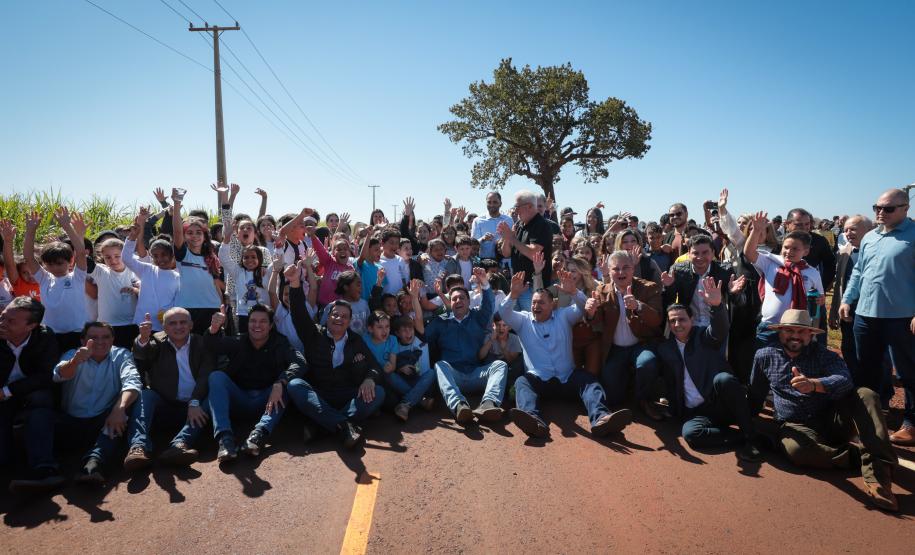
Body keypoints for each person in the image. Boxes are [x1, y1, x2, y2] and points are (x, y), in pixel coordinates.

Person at [749, 309, 899, 512]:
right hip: (795, 425)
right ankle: (858, 455)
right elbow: (756, 394)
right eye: (789, 330)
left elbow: (845, 380)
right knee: (796, 451)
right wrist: (743, 420)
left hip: (831, 420)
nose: (795, 335)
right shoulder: (764, 356)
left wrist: (814, 384)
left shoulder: (823, 355)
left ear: (811, 335)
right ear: (779, 332)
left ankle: (879, 477)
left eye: (801, 331)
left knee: (866, 394)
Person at [499, 270, 633, 439]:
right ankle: (533, 421)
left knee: (589, 380)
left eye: (541, 303)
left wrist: (573, 291)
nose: (536, 306)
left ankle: (601, 419)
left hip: (567, 378)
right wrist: (513, 294)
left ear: (552, 304)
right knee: (522, 382)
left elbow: (584, 307)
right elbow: (504, 312)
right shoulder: (522, 320)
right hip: (539, 380)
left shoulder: (564, 316)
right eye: (533, 303)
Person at [839, 189, 915, 446]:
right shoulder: (870, 237)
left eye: (888, 208)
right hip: (866, 315)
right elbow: (859, 272)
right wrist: (847, 299)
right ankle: (867, 421)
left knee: (908, 372)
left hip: (902, 317)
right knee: (866, 371)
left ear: (905, 208)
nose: (880, 212)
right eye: (877, 207)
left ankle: (912, 424)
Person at [283, 262, 386, 448]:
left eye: (344, 316)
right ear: (328, 317)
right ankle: (344, 425)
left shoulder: (356, 340)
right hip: (320, 394)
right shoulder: (314, 334)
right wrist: (294, 283)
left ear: (349, 321)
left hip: (347, 394)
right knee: (295, 385)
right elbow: (299, 314)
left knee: (378, 392)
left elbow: (375, 367)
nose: (339, 318)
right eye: (335, 315)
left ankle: (322, 424)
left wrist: (370, 378)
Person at [658, 280, 760, 462]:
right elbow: (669, 380)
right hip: (696, 413)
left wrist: (717, 306)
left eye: (681, 319)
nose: (677, 324)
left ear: (692, 320)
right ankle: (741, 437)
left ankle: (751, 437)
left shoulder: (703, 336)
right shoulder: (666, 349)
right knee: (691, 434)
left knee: (724, 380)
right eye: (672, 320)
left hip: (719, 404)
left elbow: (720, 330)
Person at [204, 303, 304, 462]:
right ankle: (225, 440)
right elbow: (212, 345)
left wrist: (281, 382)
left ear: (271, 325)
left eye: (263, 321)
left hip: (266, 402)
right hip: (239, 400)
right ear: (248, 323)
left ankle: (258, 436)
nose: (257, 325)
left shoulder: (280, 342)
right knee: (216, 377)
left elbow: (299, 362)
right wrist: (214, 329)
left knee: (286, 385)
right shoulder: (239, 340)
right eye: (253, 321)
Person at [54, 322, 142, 485]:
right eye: (93, 337)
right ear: (83, 340)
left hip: (103, 421)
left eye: (106, 337)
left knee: (129, 404)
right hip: (70, 421)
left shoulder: (121, 354)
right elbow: (59, 375)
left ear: (113, 339)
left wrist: (119, 409)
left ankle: (94, 463)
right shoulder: (72, 354)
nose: (101, 342)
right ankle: (49, 470)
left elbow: (133, 382)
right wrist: (75, 361)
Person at [418, 267, 507, 424]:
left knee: (500, 365)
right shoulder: (440, 321)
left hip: (475, 374)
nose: (458, 301)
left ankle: (488, 404)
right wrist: (414, 299)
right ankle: (459, 406)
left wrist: (484, 283)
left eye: (462, 298)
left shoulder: (478, 317)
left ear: (469, 301)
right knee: (440, 365)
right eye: (454, 299)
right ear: (450, 303)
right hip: (453, 377)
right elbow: (422, 335)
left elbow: (488, 304)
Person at [127, 308, 214, 469]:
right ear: (164, 327)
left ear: (191, 325)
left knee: (214, 395)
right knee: (145, 395)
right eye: (172, 323)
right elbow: (142, 352)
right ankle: (138, 447)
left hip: (195, 409)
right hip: (166, 406)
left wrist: (195, 402)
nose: (178, 327)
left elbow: (204, 376)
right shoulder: (156, 341)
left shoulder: (201, 343)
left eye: (183, 322)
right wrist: (143, 338)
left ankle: (180, 444)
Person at [1, 297, 64, 493]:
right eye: (2, 317)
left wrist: (7, 391)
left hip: (29, 391)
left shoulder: (44, 336)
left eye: (10, 321)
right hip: (2, 395)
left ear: (31, 326)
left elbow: (46, 375)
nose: (2, 323)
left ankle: (44, 468)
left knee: (42, 402)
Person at [595, 251, 664, 419]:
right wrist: (590, 313)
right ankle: (629, 385)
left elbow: (657, 321)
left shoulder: (649, 288)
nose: (621, 273)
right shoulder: (601, 290)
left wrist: (638, 306)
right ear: (609, 272)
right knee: (613, 398)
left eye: (625, 267)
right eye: (616, 269)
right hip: (616, 349)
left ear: (633, 269)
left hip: (641, 345)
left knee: (646, 363)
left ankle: (644, 400)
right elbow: (596, 324)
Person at [743, 212, 824, 346]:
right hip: (769, 327)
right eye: (786, 247)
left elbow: (818, 301)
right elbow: (749, 253)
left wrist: (820, 300)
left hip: (798, 330)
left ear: (806, 251)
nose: (789, 252)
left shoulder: (812, 272)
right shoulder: (771, 262)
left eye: (795, 249)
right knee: (765, 363)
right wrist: (756, 231)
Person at [22, 207, 88, 352]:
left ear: (70, 261)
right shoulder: (44, 278)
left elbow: (81, 253)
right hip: (50, 335)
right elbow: (28, 256)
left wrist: (66, 225)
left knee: (75, 370)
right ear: (44, 264)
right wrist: (31, 230)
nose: (55, 268)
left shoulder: (77, 277)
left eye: (59, 263)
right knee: (52, 372)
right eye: (50, 264)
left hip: (76, 334)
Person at [827, 216, 872, 393]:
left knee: (871, 352)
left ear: (869, 229)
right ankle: (854, 386)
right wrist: (834, 312)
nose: (848, 233)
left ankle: (878, 393)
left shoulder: (876, 251)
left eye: (853, 229)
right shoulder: (844, 252)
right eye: (846, 229)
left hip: (872, 310)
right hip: (848, 309)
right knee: (848, 347)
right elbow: (839, 285)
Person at [660, 235, 744, 327]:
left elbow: (740, 303)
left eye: (705, 253)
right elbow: (668, 304)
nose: (700, 257)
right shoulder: (678, 271)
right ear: (688, 254)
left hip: (716, 326)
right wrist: (669, 287)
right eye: (695, 253)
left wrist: (733, 293)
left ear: (712, 253)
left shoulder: (725, 271)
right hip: (688, 327)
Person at [171, 189, 223, 335]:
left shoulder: (212, 257)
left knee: (211, 349)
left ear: (205, 236)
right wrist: (177, 203)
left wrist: (221, 305)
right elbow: (176, 231)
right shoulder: (183, 254)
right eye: (190, 232)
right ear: (184, 235)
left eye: (199, 233)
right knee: (192, 350)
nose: (194, 236)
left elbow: (215, 284)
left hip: (212, 308)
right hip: (188, 308)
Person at [122, 207, 180, 333]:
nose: (160, 259)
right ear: (151, 256)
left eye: (164, 255)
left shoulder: (177, 277)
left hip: (163, 328)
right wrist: (132, 237)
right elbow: (126, 258)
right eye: (156, 256)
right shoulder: (146, 269)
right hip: (141, 324)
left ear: (172, 256)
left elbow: (177, 302)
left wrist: (168, 315)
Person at [499, 190, 553, 311]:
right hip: (518, 286)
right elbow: (506, 253)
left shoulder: (541, 225)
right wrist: (507, 238)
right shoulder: (520, 224)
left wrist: (511, 238)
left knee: (532, 324)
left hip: (533, 287)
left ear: (529, 206)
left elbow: (534, 253)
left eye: (517, 207)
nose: (515, 210)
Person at [784, 208, 836, 292]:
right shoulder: (779, 242)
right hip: (784, 289)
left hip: (811, 292)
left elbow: (830, 263)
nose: (804, 228)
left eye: (807, 224)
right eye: (799, 224)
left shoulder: (819, 241)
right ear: (787, 224)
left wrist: (822, 285)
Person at [470, 192, 514, 260]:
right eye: (489, 202)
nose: (492, 205)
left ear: (500, 204)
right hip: (485, 261)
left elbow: (513, 241)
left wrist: (504, 240)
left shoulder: (508, 220)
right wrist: (483, 238)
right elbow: (472, 244)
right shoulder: (478, 220)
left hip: (505, 261)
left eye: (495, 202)